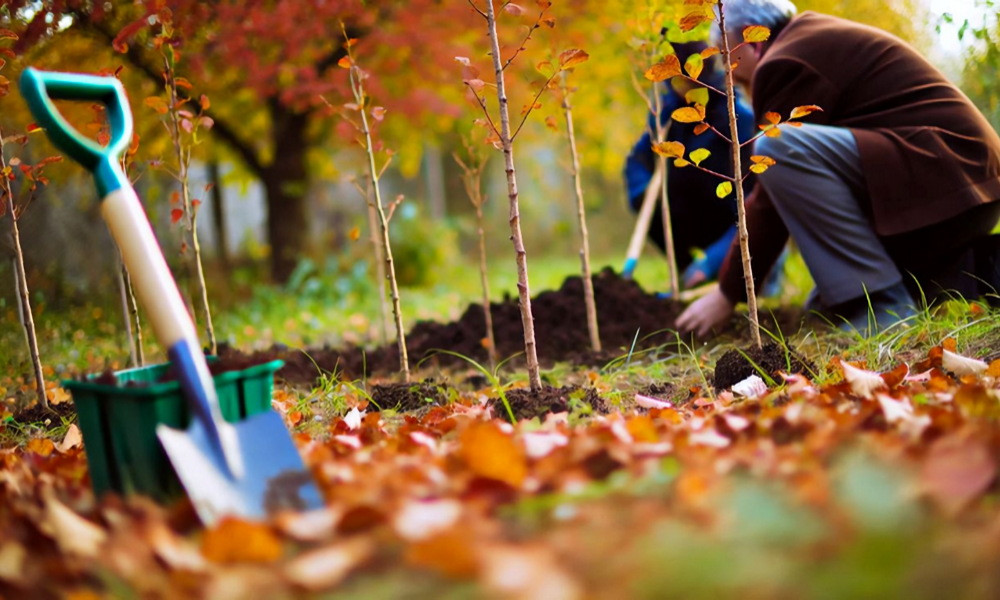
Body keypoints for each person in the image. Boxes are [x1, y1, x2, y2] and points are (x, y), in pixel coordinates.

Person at [676, 0, 1000, 337]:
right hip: (965, 187)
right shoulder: (809, 38)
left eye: (735, 76)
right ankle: (983, 269)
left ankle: (881, 307)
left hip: (945, 176)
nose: (740, 91)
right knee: (826, 307)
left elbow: (771, 195)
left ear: (752, 44)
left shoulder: (785, 59)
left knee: (776, 145)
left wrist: (727, 293)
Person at [624, 40, 757, 288]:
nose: (679, 86)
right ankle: (688, 274)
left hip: (731, 224)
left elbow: (753, 203)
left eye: (684, 76)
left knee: (739, 271)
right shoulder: (667, 115)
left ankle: (727, 272)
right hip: (691, 215)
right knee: (649, 201)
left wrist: (711, 262)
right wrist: (642, 193)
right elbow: (637, 160)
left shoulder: (738, 119)